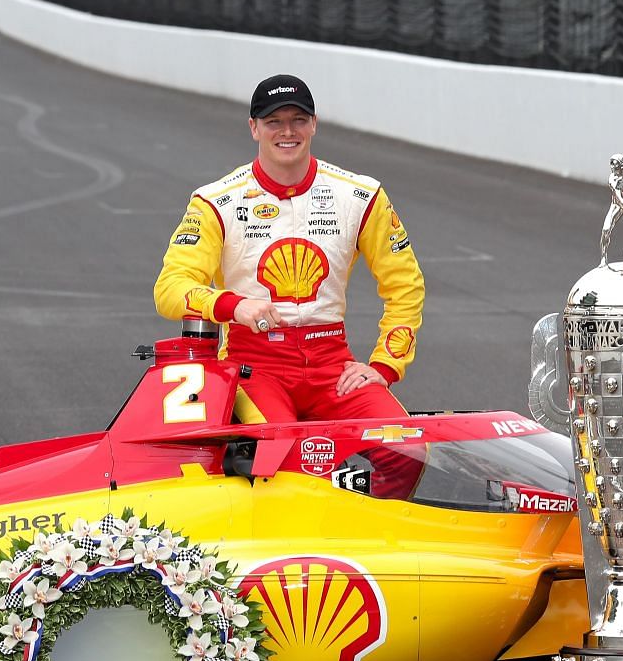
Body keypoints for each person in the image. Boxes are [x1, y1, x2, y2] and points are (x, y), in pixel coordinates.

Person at [154, 74, 425, 422]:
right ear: (254, 128)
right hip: (253, 364)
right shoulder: (215, 201)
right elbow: (170, 288)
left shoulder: (360, 195)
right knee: (278, 448)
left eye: (298, 120)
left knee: (405, 448)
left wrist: (386, 365)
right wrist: (233, 305)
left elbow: (406, 285)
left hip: (332, 364)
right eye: (273, 122)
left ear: (314, 124)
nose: (287, 132)